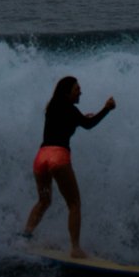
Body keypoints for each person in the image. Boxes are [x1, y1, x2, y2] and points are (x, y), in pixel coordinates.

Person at [23, 76, 116, 258]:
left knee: (44, 201)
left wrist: (82, 117)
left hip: (41, 157)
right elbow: (88, 125)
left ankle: (25, 236)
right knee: (74, 204)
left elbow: (69, 122)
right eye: (76, 89)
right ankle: (75, 248)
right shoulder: (72, 110)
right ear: (67, 92)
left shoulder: (52, 108)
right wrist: (107, 109)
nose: (80, 92)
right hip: (58, 157)